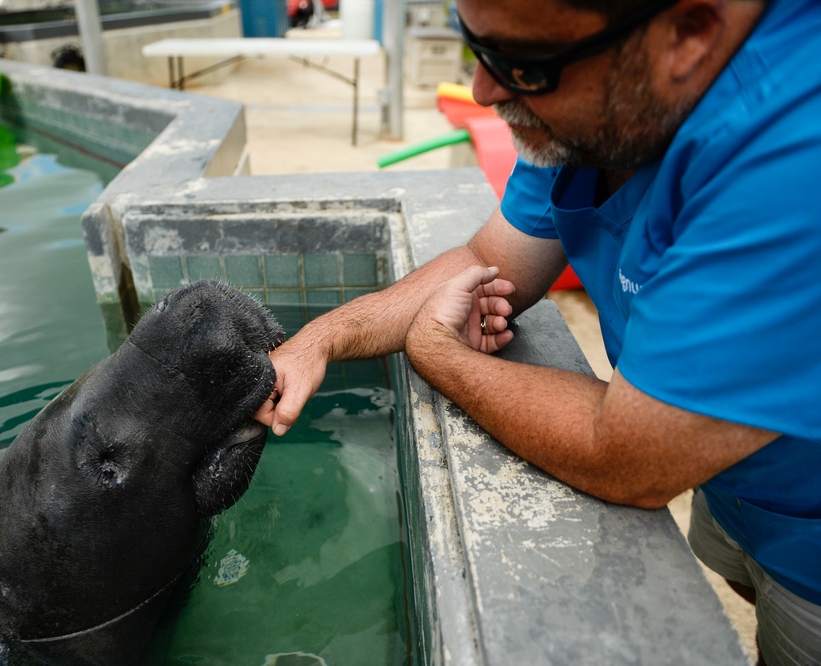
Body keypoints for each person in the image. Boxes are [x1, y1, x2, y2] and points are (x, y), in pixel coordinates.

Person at [254, 0, 821, 663]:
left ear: (691, 33)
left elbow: (629, 457)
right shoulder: (607, 96)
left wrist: (436, 350)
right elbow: (486, 260)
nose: (483, 90)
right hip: (741, 483)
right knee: (745, 586)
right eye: (480, 50)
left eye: (522, 66)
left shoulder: (794, 160)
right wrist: (321, 337)